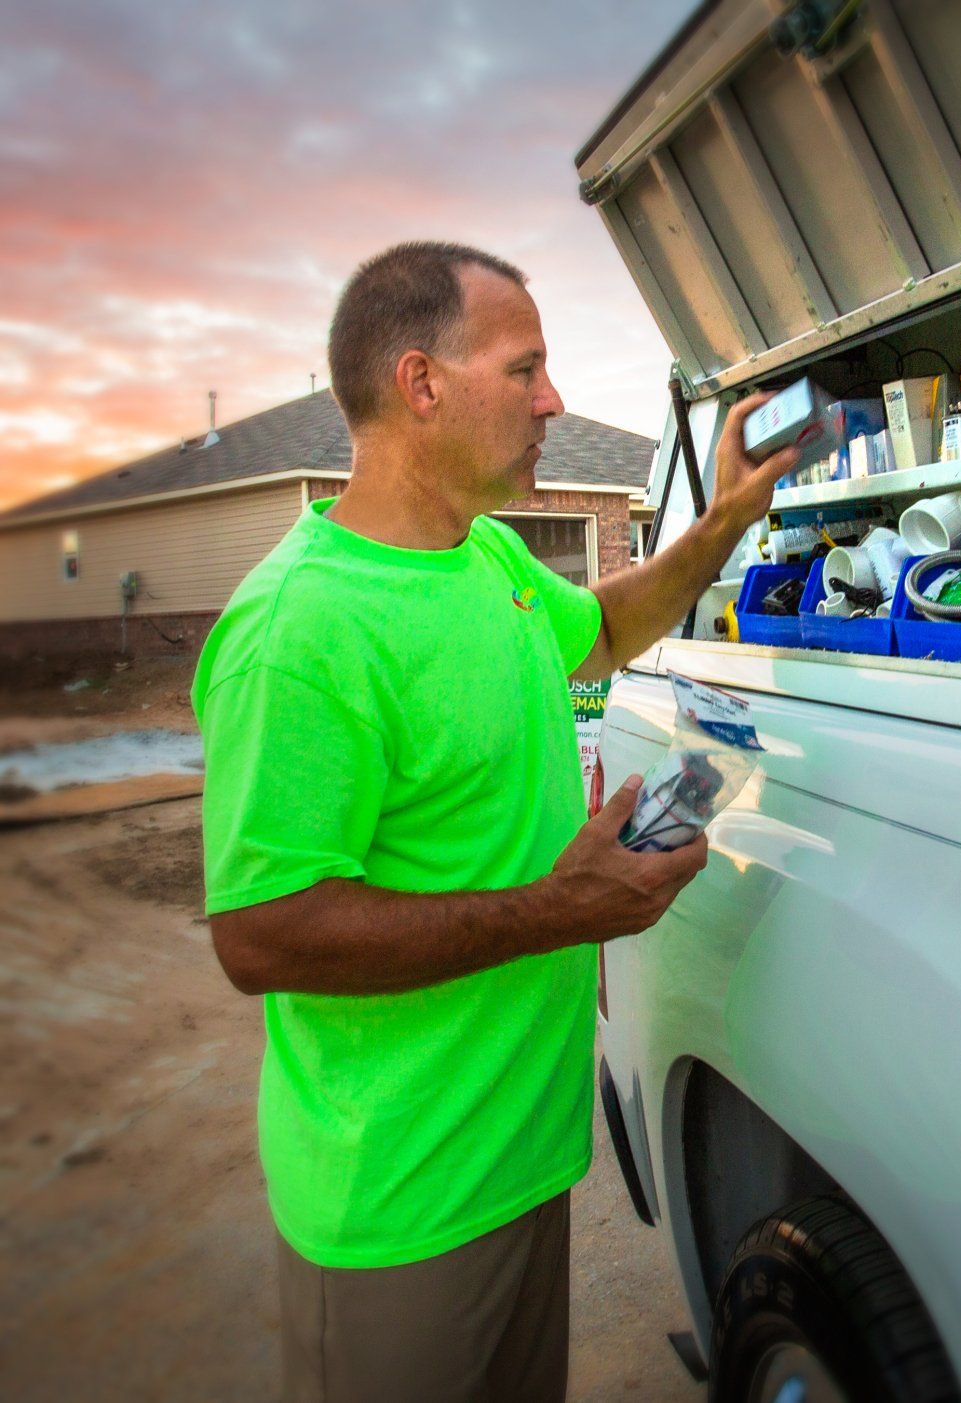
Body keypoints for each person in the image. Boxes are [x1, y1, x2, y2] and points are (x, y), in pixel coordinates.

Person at [191, 240, 800, 1402]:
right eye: (525, 368)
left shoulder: (493, 561)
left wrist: (725, 516)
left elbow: (609, 628)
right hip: (401, 1208)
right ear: (421, 383)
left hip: (518, 1163)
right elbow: (260, 932)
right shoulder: (304, 630)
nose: (554, 400)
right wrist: (559, 908)